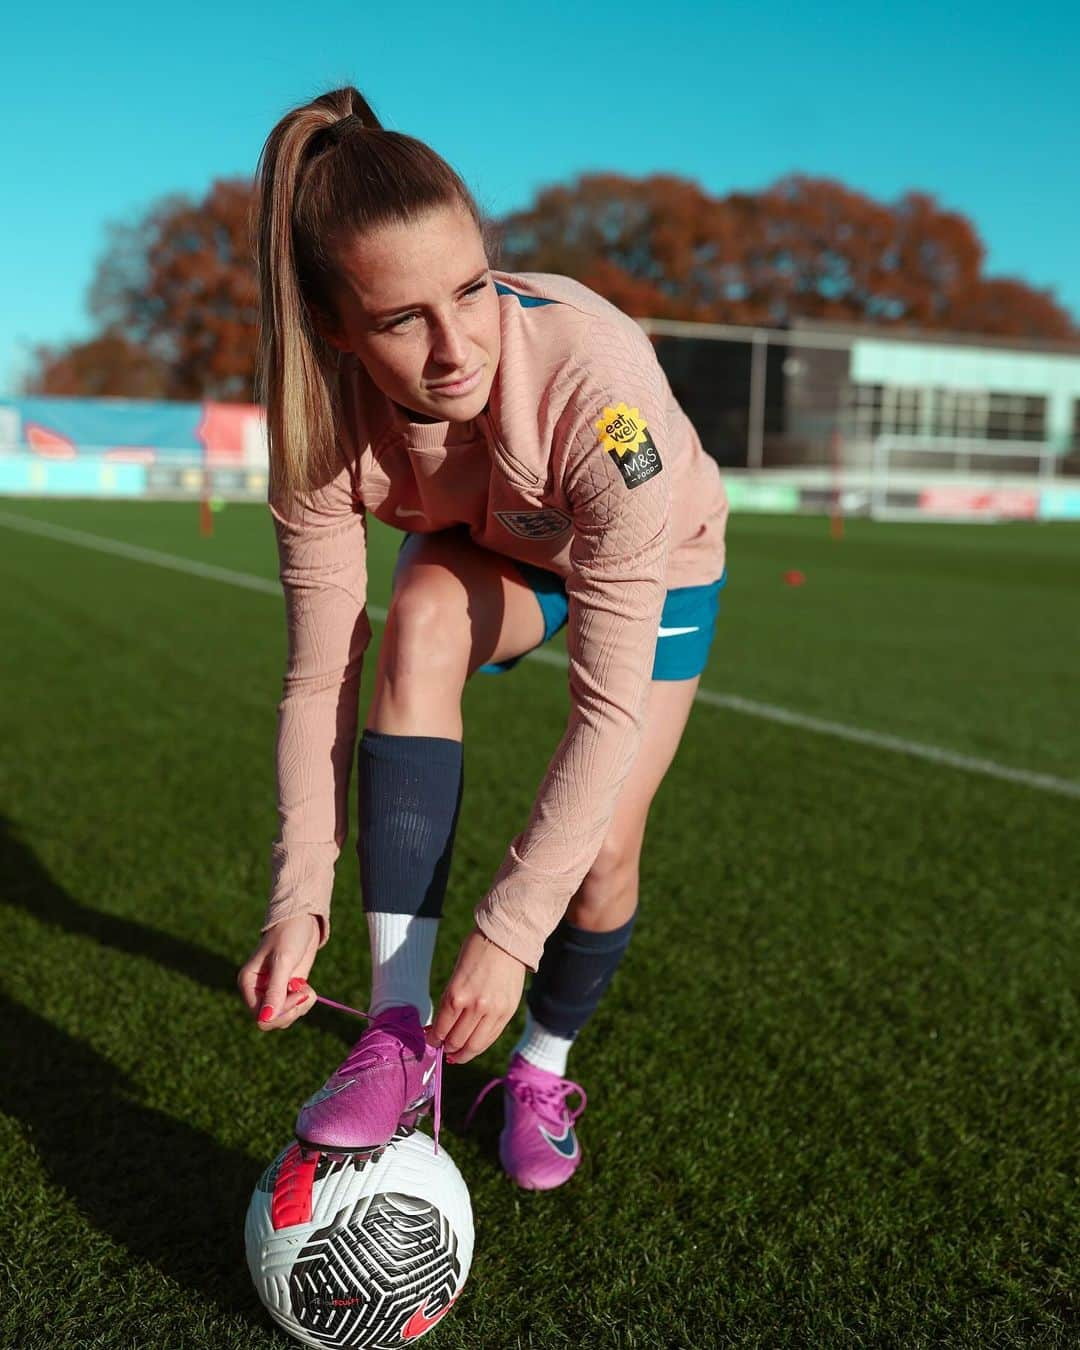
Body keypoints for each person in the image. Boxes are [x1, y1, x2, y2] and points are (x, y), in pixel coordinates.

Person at [236, 85, 728, 1192]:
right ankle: (398, 1040)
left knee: (599, 858)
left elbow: (604, 711)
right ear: (335, 329)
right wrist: (296, 894)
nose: (458, 347)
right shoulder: (315, 426)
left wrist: (508, 931)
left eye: (471, 290)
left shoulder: (605, 404)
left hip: (654, 555)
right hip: (493, 546)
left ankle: (539, 1071)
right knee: (412, 626)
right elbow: (321, 674)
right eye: (404, 318)